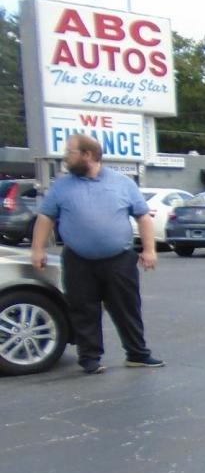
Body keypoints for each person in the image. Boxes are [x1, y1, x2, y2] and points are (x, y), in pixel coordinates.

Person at [30, 134, 164, 374]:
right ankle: (90, 358)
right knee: (83, 310)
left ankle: (137, 354)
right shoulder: (62, 186)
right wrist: (38, 249)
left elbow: (143, 216)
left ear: (87, 155)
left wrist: (149, 249)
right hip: (78, 260)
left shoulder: (122, 183)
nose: (65, 158)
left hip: (119, 259)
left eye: (69, 153)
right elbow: (46, 217)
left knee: (127, 308)